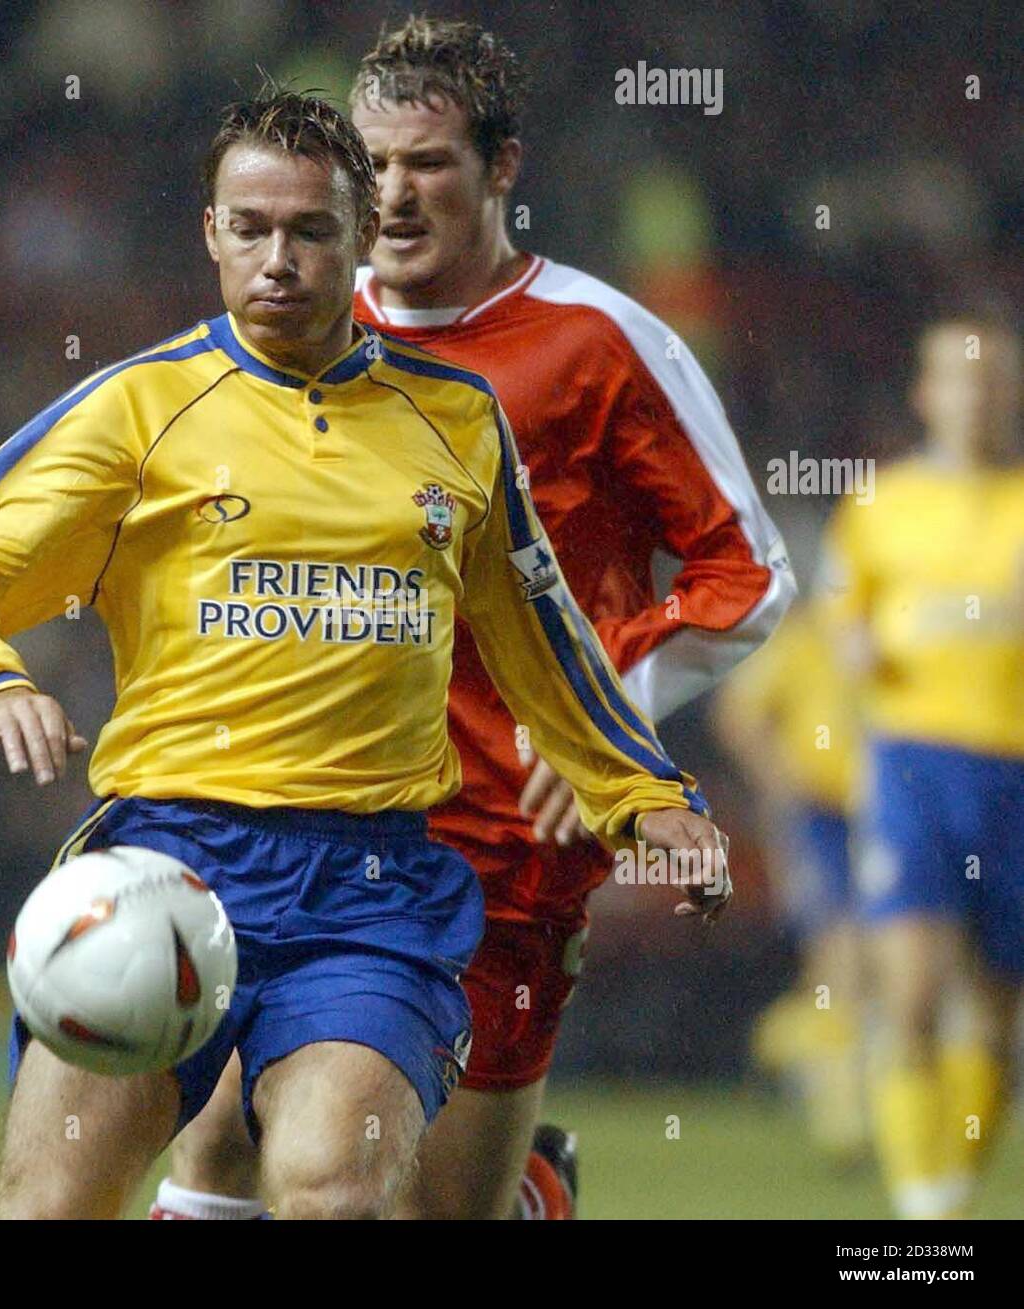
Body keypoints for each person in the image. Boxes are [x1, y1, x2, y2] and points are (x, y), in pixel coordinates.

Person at [0, 87, 728, 1221]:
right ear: (210, 234)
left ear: (361, 234)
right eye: (250, 228)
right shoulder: (141, 408)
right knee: (45, 1208)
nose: (278, 259)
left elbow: (545, 637)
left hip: (368, 889)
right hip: (163, 870)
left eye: (311, 230)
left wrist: (642, 790)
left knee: (332, 1192)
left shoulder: (457, 421)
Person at [154, 17, 789, 1223]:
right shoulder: (302, 328)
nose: (392, 193)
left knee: (426, 1206)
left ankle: (528, 1191)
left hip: (502, 836)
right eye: (372, 163)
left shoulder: (598, 343)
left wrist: (603, 720)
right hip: (310, 815)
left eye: (427, 162)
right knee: (224, 1143)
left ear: (500, 169)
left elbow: (746, 571)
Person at [820, 314, 1024, 1219]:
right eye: (959, 378)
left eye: (992, 379)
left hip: (1015, 773)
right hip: (913, 767)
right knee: (909, 993)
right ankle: (921, 1211)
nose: (976, 395)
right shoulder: (881, 506)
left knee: (995, 1014)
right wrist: (855, 644)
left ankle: (952, 1191)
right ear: (925, 393)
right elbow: (839, 612)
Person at [713, 598, 867, 1166]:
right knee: (842, 955)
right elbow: (737, 714)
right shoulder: (805, 637)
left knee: (866, 963)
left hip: (885, 814)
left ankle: (784, 1039)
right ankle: (841, 1115)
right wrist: (782, 788)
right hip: (822, 816)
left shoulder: (886, 631)